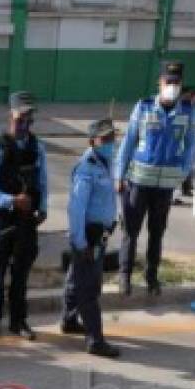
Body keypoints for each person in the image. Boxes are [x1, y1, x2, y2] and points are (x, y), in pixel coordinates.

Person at [114, 61, 195, 297]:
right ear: (159, 83)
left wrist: (182, 173)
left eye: (176, 82)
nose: (172, 86)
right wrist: (119, 175)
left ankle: (151, 277)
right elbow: (129, 142)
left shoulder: (188, 112)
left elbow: (191, 145)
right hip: (139, 181)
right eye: (168, 82)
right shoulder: (144, 107)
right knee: (131, 231)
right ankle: (125, 275)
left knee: (157, 233)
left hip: (165, 186)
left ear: (181, 85)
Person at [0, 90, 48, 340]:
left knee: (21, 273)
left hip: (27, 220)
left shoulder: (37, 147)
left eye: (30, 119)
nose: (25, 124)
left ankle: (19, 321)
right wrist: (11, 201)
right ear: (11, 115)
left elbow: (42, 182)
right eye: (21, 119)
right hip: (2, 219)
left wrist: (43, 209)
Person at [62, 119, 120, 359]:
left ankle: (68, 319)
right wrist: (81, 242)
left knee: (76, 279)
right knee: (89, 288)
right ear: (92, 141)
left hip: (99, 234)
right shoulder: (87, 167)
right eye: (104, 139)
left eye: (112, 138)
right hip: (88, 237)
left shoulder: (105, 162)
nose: (110, 143)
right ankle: (95, 340)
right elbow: (76, 209)